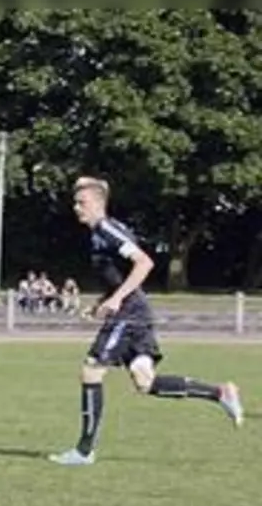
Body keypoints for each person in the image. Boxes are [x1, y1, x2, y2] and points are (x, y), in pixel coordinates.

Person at [49, 176, 243, 466]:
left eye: (82, 202)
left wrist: (117, 300)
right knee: (144, 381)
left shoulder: (107, 229)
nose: (76, 207)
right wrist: (102, 302)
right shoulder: (99, 234)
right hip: (135, 310)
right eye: (75, 202)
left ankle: (84, 451)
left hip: (129, 313)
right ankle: (220, 393)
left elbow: (144, 263)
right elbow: (119, 275)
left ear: (98, 203)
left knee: (91, 371)